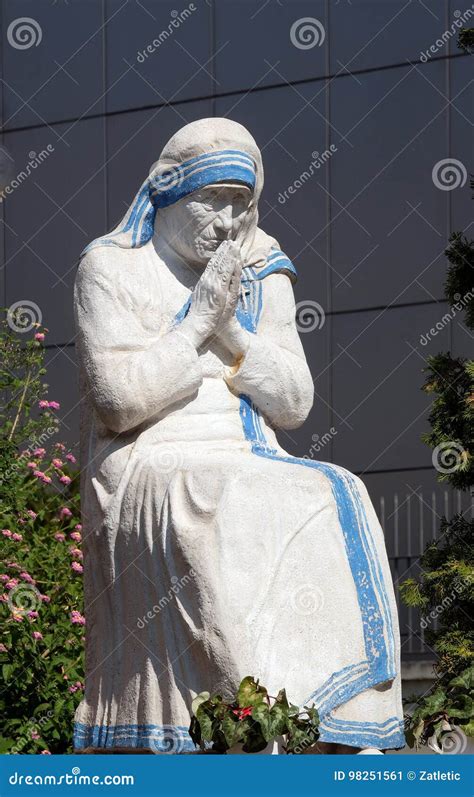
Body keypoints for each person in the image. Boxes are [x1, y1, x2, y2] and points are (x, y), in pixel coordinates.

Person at [73, 118, 404, 753]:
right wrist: (196, 322)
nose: (228, 223)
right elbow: (118, 403)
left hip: (247, 452)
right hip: (149, 455)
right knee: (223, 497)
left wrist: (231, 332)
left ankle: (325, 719)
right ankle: (242, 718)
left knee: (339, 489)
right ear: (167, 193)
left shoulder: (258, 267)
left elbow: (294, 403)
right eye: (212, 201)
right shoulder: (112, 267)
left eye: (241, 205)